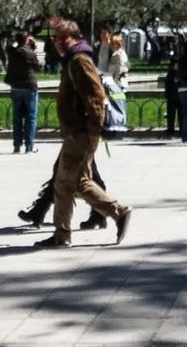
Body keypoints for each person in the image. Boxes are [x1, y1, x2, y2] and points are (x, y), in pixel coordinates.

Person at [33, 20, 131, 249]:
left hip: (80, 133)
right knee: (79, 183)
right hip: (77, 132)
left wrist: (93, 132)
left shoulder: (79, 60)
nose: (58, 43)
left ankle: (114, 213)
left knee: (65, 184)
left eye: (62, 39)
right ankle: (67, 232)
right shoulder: (73, 59)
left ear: (75, 38)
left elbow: (96, 98)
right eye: (56, 39)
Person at [5, 31, 40, 154]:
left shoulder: (11, 52)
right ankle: (29, 146)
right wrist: (33, 48)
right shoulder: (29, 53)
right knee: (31, 117)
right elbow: (37, 68)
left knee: (17, 118)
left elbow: (9, 45)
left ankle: (17, 146)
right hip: (29, 87)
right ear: (26, 40)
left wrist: (21, 41)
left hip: (15, 87)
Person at [164, 50, 180, 140]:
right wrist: (167, 94)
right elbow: (167, 85)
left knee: (181, 115)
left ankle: (182, 130)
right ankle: (170, 130)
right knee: (171, 116)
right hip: (172, 97)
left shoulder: (181, 73)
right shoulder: (170, 74)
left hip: (180, 97)